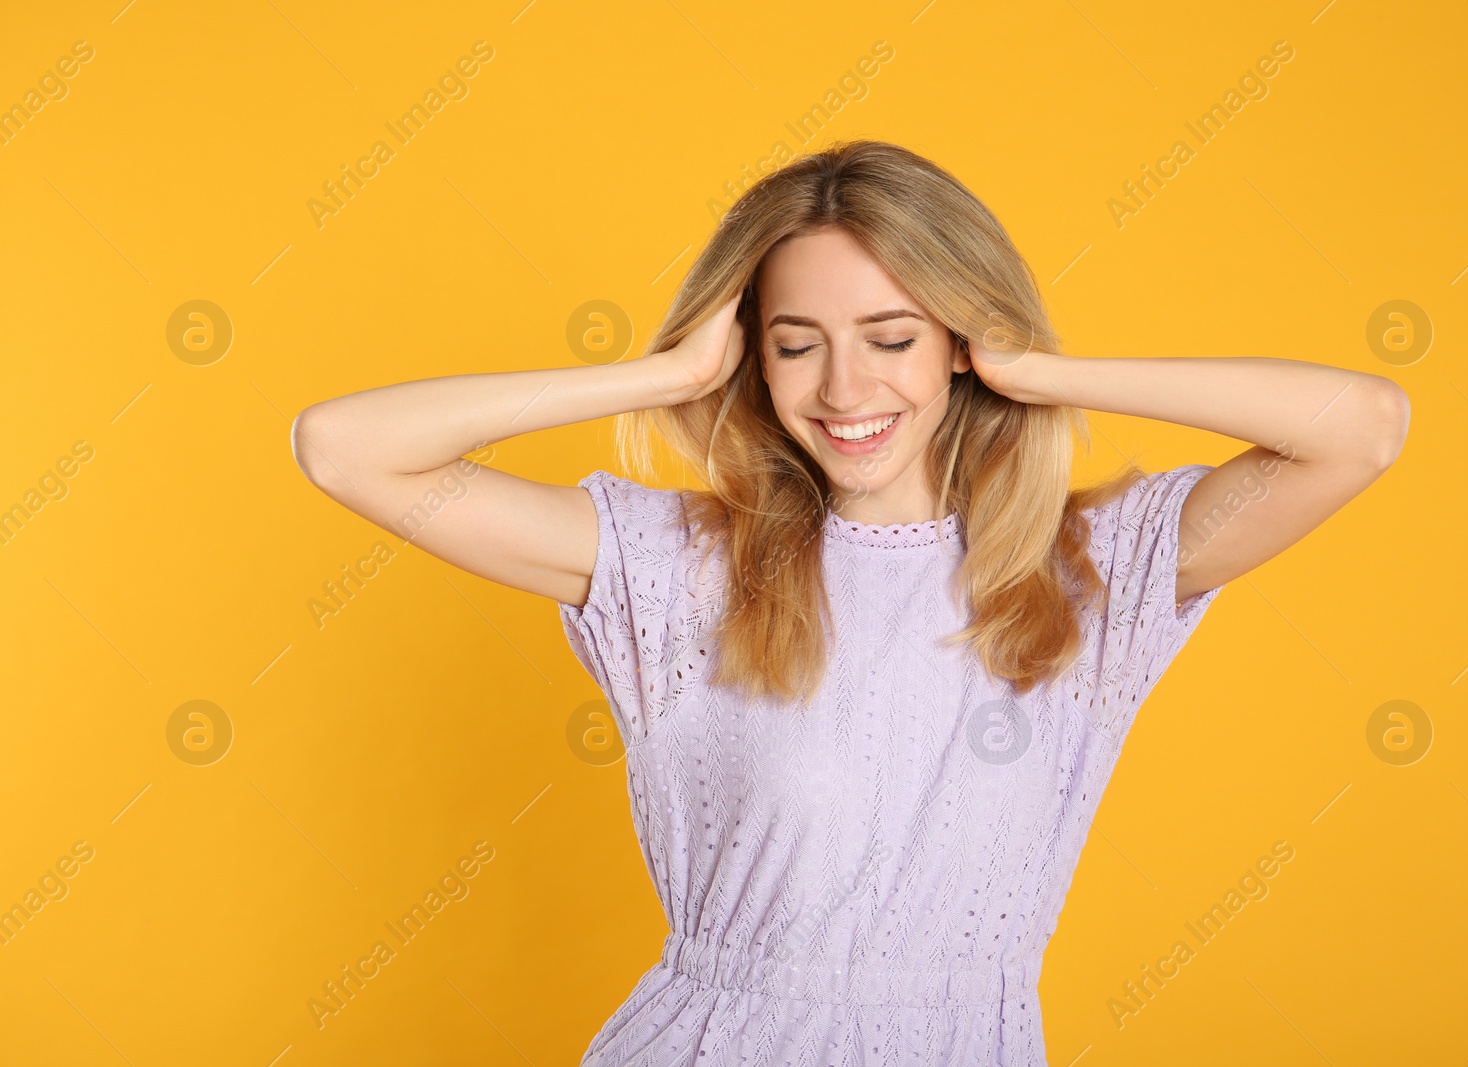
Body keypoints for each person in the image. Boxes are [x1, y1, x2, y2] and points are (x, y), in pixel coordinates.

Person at [291, 140, 1410, 1065]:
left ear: (963, 344)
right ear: (751, 361)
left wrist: (1042, 374)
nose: (843, 389)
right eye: (794, 345)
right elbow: (344, 448)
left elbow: (1361, 425)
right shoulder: (675, 567)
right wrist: (663, 378)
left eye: (891, 338)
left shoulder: (1088, 569)